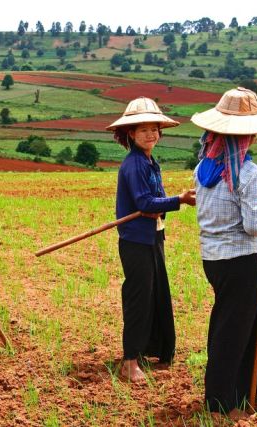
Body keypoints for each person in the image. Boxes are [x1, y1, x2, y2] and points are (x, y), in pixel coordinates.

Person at [190, 87, 257, 418]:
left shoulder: (203, 169)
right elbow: (254, 224)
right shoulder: (250, 173)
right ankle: (221, 405)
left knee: (236, 324)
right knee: (233, 333)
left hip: (213, 259)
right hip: (242, 261)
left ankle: (254, 391)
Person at [106, 97, 196, 383]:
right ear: (130, 133)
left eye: (154, 129)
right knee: (138, 298)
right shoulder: (134, 164)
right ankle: (129, 361)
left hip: (153, 237)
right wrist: (179, 200)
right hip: (136, 241)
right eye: (143, 130)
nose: (150, 134)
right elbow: (145, 202)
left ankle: (149, 349)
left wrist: (170, 202)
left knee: (155, 293)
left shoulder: (149, 161)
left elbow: (153, 201)